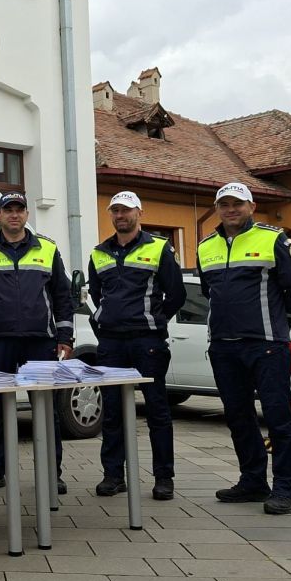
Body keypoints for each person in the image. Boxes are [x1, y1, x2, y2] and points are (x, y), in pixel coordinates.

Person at [197, 181, 291, 515]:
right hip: (223, 346)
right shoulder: (205, 246)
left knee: (278, 417)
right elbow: (208, 291)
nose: (231, 210)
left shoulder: (273, 239)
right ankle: (252, 481)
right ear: (217, 209)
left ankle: (287, 489)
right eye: (224, 204)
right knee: (238, 416)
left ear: (251, 206)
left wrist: (280, 323)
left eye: (237, 203)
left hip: (266, 346)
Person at [0, 192, 74, 494]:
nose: (14, 214)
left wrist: (65, 337)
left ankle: (51, 474)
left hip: (40, 342)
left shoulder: (48, 249)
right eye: (8, 210)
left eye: (19, 209)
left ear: (26, 215)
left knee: (46, 409)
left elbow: (62, 296)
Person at [88, 191, 186, 501]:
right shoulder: (99, 253)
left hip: (148, 342)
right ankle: (113, 475)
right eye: (115, 210)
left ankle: (164, 478)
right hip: (111, 342)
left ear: (139, 213)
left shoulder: (159, 248)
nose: (121, 215)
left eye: (126, 210)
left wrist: (153, 319)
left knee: (157, 410)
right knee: (112, 412)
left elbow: (177, 294)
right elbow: (96, 294)